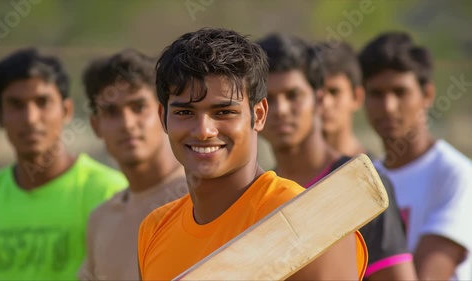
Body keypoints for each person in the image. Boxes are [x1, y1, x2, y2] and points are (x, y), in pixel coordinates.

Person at [138, 27, 367, 280]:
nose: (204, 130)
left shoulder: (310, 222)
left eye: (223, 112)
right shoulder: (154, 229)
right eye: (185, 113)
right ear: (163, 118)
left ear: (258, 115)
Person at [257, 33, 417, 280]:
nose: (281, 110)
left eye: (293, 95)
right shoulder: (259, 196)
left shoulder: (361, 185)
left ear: (318, 100)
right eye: (269, 98)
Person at [0, 49, 127, 280]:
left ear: (66, 111)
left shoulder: (110, 192)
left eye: (42, 102)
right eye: (16, 104)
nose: (30, 118)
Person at [359, 31, 472, 280]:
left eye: (400, 92)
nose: (388, 106)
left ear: (427, 95)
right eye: (377, 94)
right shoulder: (366, 180)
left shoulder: (457, 176)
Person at [78, 49, 187, 280]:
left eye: (138, 107)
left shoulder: (201, 196)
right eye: (111, 112)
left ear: (163, 113)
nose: (127, 124)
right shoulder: (101, 219)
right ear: (96, 125)